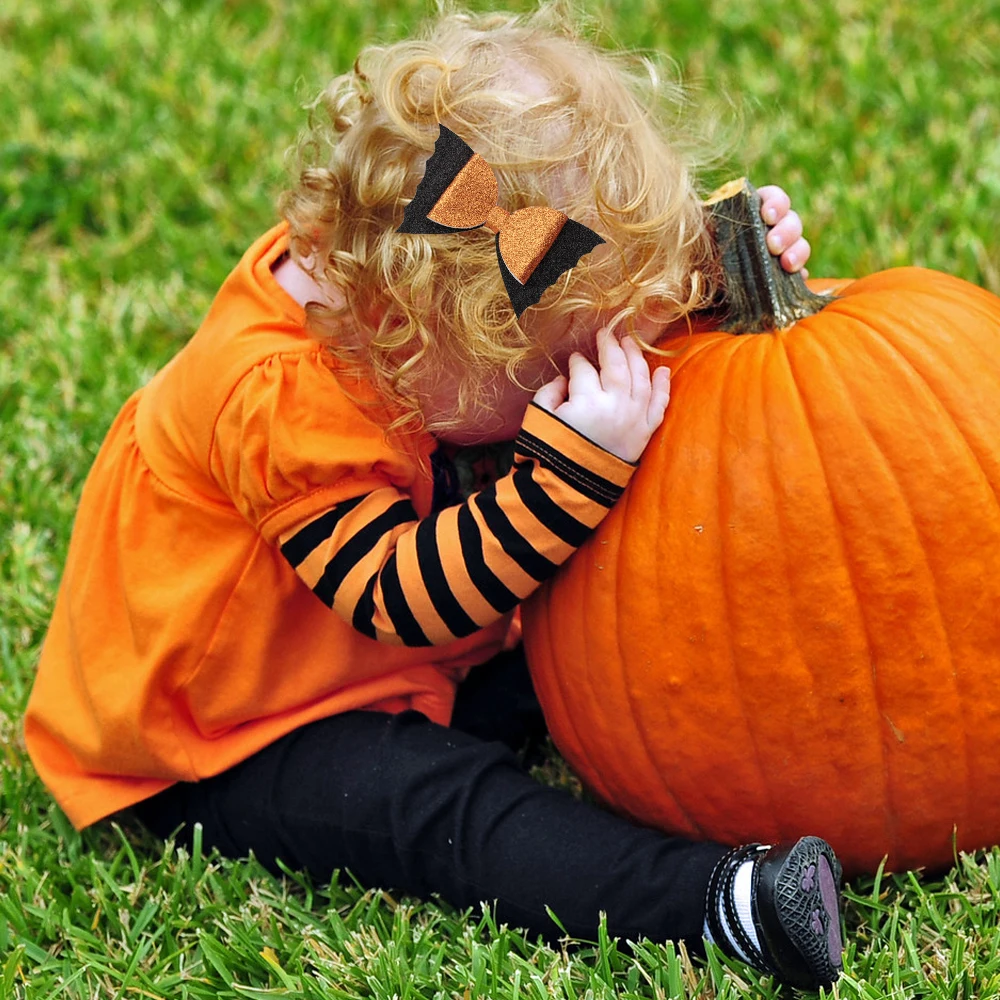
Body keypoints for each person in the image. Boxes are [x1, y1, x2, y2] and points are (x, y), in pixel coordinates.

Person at [23, 3, 842, 990]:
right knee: (437, 808)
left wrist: (714, 269)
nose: (573, 377)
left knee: (599, 636)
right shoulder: (275, 400)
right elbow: (399, 601)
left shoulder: (414, 288)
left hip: (418, 664)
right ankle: (719, 903)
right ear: (417, 339)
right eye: (549, 369)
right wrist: (567, 473)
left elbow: (565, 268)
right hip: (233, 732)